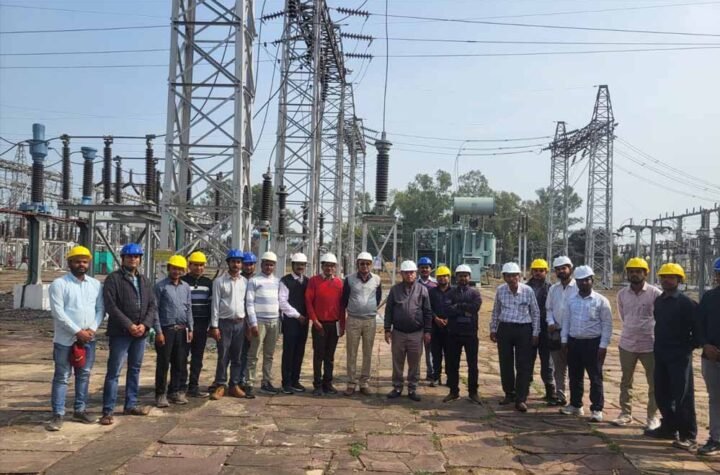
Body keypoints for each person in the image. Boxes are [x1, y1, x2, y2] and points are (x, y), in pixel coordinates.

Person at [46, 246, 104, 431]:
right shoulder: (59, 284)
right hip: (65, 340)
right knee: (62, 376)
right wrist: (78, 331)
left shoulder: (95, 285)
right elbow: (58, 313)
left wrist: (92, 329)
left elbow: (100, 309)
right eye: (77, 261)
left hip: (88, 340)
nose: (81, 264)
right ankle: (58, 414)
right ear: (70, 263)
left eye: (85, 261)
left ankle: (80, 409)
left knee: (84, 374)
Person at [645, 263, 700, 452]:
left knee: (682, 395)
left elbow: (698, 331)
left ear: (679, 280)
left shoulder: (686, 303)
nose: (666, 280)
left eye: (671, 277)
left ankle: (688, 435)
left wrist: (687, 347)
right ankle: (669, 428)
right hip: (661, 353)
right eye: (664, 277)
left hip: (679, 356)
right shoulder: (659, 301)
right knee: (662, 392)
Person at [100, 243, 156, 425]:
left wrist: (145, 325)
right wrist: (129, 325)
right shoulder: (113, 279)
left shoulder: (144, 280)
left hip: (140, 334)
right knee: (114, 372)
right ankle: (108, 410)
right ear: (123, 259)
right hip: (120, 333)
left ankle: (130, 404)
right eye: (130, 256)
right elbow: (111, 306)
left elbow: (152, 305)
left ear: (140, 259)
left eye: (136, 256)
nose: (133, 259)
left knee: (135, 369)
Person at [611, 257, 662, 430]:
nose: (634, 274)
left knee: (654, 382)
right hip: (627, 343)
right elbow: (623, 316)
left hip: (650, 344)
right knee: (626, 380)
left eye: (638, 271)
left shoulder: (655, 293)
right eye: (631, 271)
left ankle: (652, 416)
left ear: (645, 273)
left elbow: (659, 317)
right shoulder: (622, 294)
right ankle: (625, 413)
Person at [560, 266, 612, 422]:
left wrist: (603, 345)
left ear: (592, 280)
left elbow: (607, 325)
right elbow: (566, 321)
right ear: (576, 282)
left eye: (587, 280)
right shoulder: (571, 300)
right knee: (575, 376)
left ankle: (597, 409)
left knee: (595, 377)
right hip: (574, 342)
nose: (583, 283)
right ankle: (576, 405)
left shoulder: (601, 301)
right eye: (580, 280)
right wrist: (564, 341)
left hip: (593, 343)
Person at [490, 262, 541, 412]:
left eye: (514, 276)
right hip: (505, 328)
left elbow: (535, 312)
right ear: (504, 277)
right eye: (508, 276)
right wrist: (493, 329)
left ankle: (521, 398)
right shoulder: (500, 290)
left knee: (523, 364)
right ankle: (509, 393)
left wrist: (535, 332)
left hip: (523, 329)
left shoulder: (527, 291)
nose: (512, 279)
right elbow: (496, 311)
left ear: (519, 276)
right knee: (505, 362)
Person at [208, 249, 258, 400]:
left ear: (241, 264)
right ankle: (220, 384)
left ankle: (234, 385)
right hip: (224, 323)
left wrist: (249, 325)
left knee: (237, 356)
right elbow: (215, 305)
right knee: (223, 355)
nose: (236, 265)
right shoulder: (219, 282)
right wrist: (214, 326)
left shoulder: (245, 282)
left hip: (240, 324)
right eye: (233, 262)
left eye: (238, 262)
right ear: (228, 263)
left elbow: (247, 304)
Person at [384, 260, 433, 402]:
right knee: (397, 361)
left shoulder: (422, 290)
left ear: (415, 273)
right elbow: (389, 311)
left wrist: (427, 331)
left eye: (411, 272)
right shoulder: (395, 290)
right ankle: (397, 387)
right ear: (401, 274)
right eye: (406, 273)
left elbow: (427, 312)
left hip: (416, 333)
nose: (409, 275)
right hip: (398, 332)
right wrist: (387, 329)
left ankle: (412, 388)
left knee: (415, 362)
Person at [153, 255, 193, 408]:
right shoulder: (160, 287)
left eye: (179, 269)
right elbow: (155, 310)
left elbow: (188, 308)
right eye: (174, 268)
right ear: (169, 268)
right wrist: (158, 332)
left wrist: (191, 328)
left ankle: (175, 391)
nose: (177, 271)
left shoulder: (185, 287)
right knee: (163, 363)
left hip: (182, 330)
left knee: (179, 362)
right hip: (166, 329)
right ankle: (160, 394)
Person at [342, 251, 382, 396]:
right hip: (353, 320)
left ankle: (364, 382)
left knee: (368, 353)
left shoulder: (377, 279)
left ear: (371, 265)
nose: (365, 266)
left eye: (367, 263)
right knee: (351, 352)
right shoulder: (349, 279)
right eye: (362, 263)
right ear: (357, 264)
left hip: (370, 321)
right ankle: (351, 382)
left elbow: (378, 298)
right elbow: (345, 299)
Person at [306, 253, 345, 396]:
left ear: (335, 268)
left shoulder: (339, 283)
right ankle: (317, 385)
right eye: (327, 265)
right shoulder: (314, 281)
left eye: (332, 266)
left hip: (334, 324)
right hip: (319, 324)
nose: (329, 268)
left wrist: (342, 325)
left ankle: (328, 383)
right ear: (322, 266)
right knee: (318, 356)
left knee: (330, 356)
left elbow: (342, 306)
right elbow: (308, 301)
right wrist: (314, 320)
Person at [443, 264, 482, 404]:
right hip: (454, 333)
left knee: (473, 365)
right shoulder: (450, 293)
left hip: (470, 334)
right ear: (456, 277)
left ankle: (473, 392)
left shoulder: (475, 293)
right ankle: (453, 391)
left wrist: (458, 306)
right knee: (452, 364)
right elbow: (448, 310)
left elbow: (475, 308)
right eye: (460, 276)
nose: (463, 278)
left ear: (469, 277)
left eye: (465, 276)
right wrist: (465, 309)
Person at [246, 251, 281, 396]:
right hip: (259, 322)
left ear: (275, 266)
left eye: (271, 265)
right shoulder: (254, 281)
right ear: (261, 265)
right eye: (266, 264)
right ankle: (249, 383)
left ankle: (266, 382)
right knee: (254, 354)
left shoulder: (277, 282)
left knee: (269, 355)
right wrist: (253, 323)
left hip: (274, 321)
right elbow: (249, 303)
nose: (269, 267)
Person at [546, 256, 577, 406]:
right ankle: (560, 395)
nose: (561, 271)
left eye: (564, 268)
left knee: (575, 367)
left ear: (570, 269)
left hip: (573, 333)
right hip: (557, 332)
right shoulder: (553, 289)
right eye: (558, 269)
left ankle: (575, 399)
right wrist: (551, 322)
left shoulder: (578, 287)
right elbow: (549, 309)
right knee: (559, 367)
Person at [182, 251, 213, 398]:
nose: (198, 268)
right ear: (189, 265)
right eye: (195, 265)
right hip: (185, 325)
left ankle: (193, 386)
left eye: (201, 265)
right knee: (182, 356)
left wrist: (211, 325)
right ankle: (180, 385)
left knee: (197, 357)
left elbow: (211, 305)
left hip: (201, 324)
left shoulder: (208, 283)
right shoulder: (183, 281)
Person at [697, 257, 720, 456]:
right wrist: (705, 344)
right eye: (718, 273)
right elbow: (699, 325)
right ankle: (716, 438)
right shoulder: (709, 298)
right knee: (715, 399)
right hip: (711, 356)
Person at [279, 253, 310, 394]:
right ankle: (286, 382)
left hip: (303, 322)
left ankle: (295, 380)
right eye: (298, 264)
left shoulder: (307, 282)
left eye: (302, 265)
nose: (300, 267)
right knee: (289, 352)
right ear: (292, 265)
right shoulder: (285, 281)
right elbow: (282, 302)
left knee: (299, 351)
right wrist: (298, 316)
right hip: (291, 321)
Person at [526, 258, 555, 403]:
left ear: (546, 272)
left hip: (545, 329)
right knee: (526, 359)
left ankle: (550, 391)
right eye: (535, 270)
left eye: (541, 271)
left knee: (547, 361)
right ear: (531, 272)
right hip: (528, 327)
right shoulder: (525, 288)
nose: (538, 273)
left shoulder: (551, 289)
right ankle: (524, 388)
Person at [429, 265, 453, 387]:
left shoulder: (454, 292)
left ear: (449, 277)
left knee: (450, 355)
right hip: (435, 328)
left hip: (450, 329)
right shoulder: (432, 292)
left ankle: (450, 378)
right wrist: (435, 318)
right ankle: (436, 377)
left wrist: (449, 319)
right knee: (436, 354)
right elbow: (428, 308)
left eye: (445, 276)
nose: (442, 278)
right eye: (440, 276)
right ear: (436, 278)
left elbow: (457, 307)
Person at [239, 251, 257, 390]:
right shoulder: (238, 279)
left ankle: (246, 379)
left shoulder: (257, 280)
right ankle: (238, 379)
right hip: (240, 321)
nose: (248, 267)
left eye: (251, 264)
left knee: (250, 353)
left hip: (254, 321)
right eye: (246, 264)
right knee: (239, 352)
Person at [417, 256, 437, 381]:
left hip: (432, 322)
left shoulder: (435, 284)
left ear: (431, 269)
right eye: (422, 267)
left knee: (430, 349)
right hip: (417, 321)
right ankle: (415, 373)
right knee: (416, 350)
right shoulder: (414, 283)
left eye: (427, 267)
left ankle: (431, 372)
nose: (424, 270)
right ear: (418, 269)